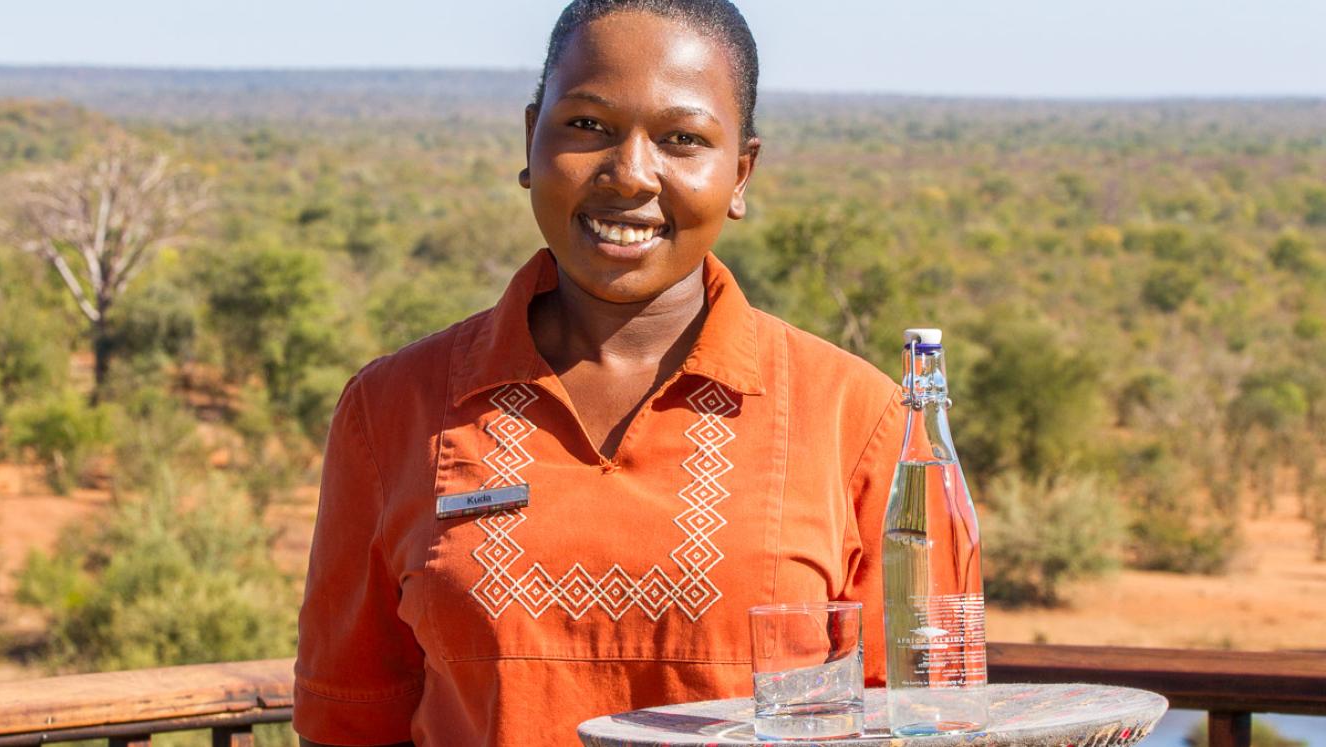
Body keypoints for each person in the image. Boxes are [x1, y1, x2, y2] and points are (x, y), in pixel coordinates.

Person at [293, 1, 907, 744]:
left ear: (739, 174)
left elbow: (919, 718)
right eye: (588, 126)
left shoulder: (859, 418)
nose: (630, 174)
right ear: (531, 140)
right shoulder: (393, 407)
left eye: (683, 138)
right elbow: (349, 720)